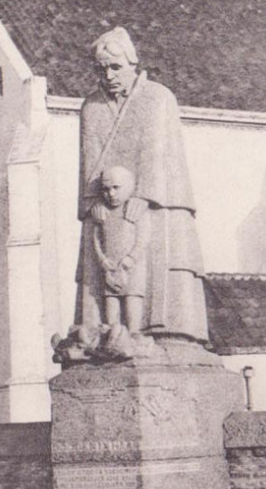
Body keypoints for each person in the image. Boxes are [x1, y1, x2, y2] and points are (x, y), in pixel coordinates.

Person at [75, 26, 208, 343]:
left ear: (132, 65)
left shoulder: (158, 98)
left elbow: (158, 150)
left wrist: (146, 195)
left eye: (115, 67)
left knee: (157, 267)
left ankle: (164, 332)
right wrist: (92, 201)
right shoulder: (91, 107)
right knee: (104, 278)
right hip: (106, 206)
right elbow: (89, 160)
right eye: (101, 68)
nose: (108, 75)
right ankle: (103, 332)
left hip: (154, 201)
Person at [92, 165, 151, 335]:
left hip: (132, 267)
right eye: (106, 189)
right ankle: (113, 336)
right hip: (110, 268)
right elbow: (96, 238)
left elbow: (143, 237)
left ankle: (133, 335)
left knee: (132, 298)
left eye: (116, 188)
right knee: (111, 301)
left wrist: (132, 258)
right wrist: (102, 259)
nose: (111, 194)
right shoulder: (102, 213)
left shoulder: (136, 210)